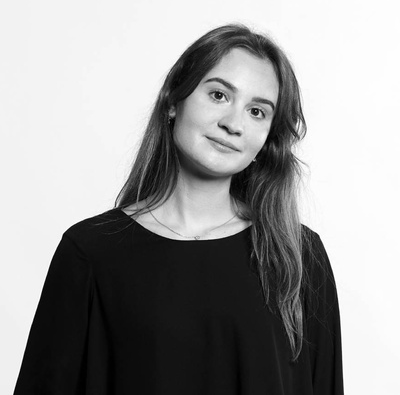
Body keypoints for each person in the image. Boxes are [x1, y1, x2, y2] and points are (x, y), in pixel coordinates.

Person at [13, 24, 344, 394]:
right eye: (218, 95)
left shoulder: (298, 256)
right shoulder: (90, 254)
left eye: (256, 111)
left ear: (267, 139)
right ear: (174, 100)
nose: (233, 124)